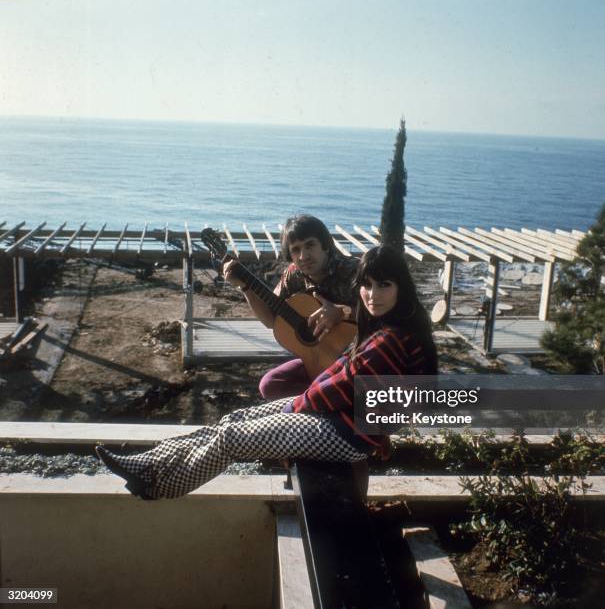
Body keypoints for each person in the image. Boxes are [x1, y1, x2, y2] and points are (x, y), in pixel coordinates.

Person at [95, 246, 438, 500]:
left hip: (343, 434)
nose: (372, 295)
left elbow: (345, 387)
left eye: (384, 286)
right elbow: (351, 377)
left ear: (401, 287)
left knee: (231, 439)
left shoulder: (392, 339)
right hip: (339, 422)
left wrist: (299, 406)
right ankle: (149, 462)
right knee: (233, 420)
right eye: (367, 285)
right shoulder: (388, 324)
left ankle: (158, 485)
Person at [223, 214, 359, 399]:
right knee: (270, 385)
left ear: (325, 245)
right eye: (296, 250)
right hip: (318, 361)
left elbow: (387, 314)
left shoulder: (354, 271)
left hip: (357, 357)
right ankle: (320, 401)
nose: (304, 256)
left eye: (310, 245)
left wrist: (343, 312)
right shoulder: (293, 275)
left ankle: (323, 400)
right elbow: (272, 320)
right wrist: (245, 287)